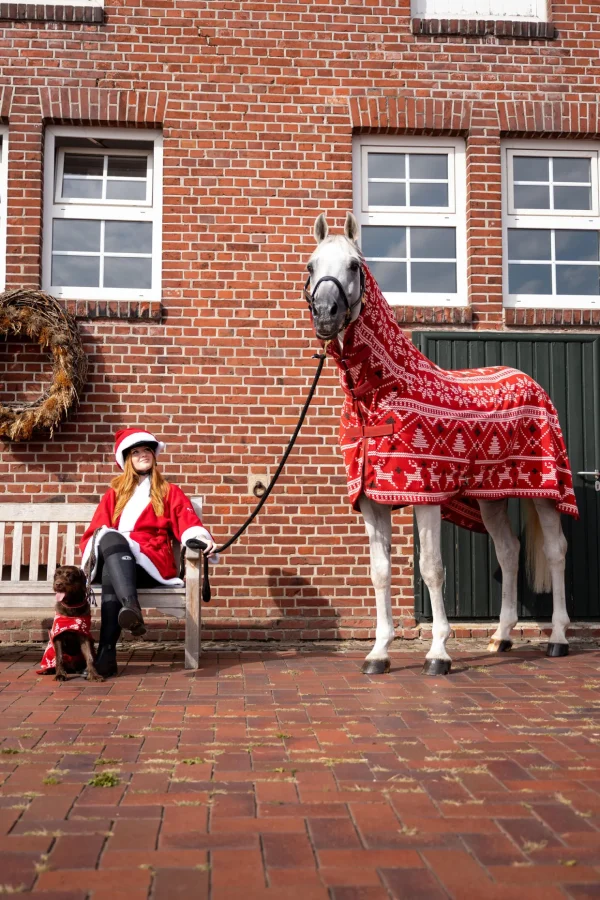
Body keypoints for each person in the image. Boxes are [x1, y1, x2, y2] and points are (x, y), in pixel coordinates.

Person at [80, 428, 218, 677]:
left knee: (113, 571)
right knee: (109, 536)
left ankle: (107, 654)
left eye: (147, 450)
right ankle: (130, 607)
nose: (143, 454)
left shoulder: (169, 491)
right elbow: (94, 533)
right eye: (136, 452)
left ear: (154, 456)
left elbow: (187, 523)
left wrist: (199, 538)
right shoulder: (114, 495)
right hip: (117, 560)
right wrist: (114, 539)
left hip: (149, 564)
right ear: (127, 460)